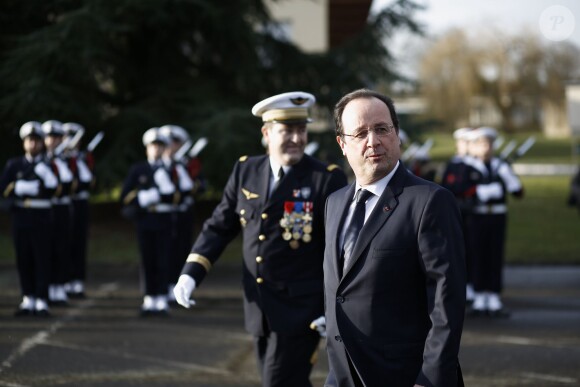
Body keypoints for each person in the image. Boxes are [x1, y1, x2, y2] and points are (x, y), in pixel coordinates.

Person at [173, 91, 348, 387]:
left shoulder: (325, 178)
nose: (296, 138)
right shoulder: (246, 170)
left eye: (301, 130)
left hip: (301, 311)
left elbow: (339, 249)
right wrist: (192, 272)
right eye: (287, 131)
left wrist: (330, 307)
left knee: (277, 382)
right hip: (258, 308)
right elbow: (219, 226)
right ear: (266, 133)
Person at [324, 89, 465, 387]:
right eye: (360, 133)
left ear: (397, 134)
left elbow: (446, 300)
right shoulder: (334, 203)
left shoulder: (429, 201)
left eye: (382, 129)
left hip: (405, 376)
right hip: (343, 375)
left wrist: (430, 380)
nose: (373, 141)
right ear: (342, 144)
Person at [0, 121, 58, 317]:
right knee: (23, 257)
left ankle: (42, 299)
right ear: (24, 143)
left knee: (41, 257)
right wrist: (17, 189)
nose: (33, 145)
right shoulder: (14, 165)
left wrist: (48, 177)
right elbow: (3, 191)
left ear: (42, 144)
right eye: (29, 141)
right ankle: (28, 297)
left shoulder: (49, 164)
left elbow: (59, 189)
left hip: (41, 216)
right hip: (21, 217)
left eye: (36, 141)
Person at [464, 127, 523, 317]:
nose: (486, 147)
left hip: (497, 216)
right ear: (474, 146)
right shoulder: (468, 167)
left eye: (489, 143)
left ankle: (494, 296)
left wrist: (511, 180)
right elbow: (459, 190)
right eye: (482, 143)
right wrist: (478, 192)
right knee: (478, 253)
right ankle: (480, 295)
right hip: (477, 216)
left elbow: (519, 193)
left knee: (495, 254)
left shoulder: (501, 167)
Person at [120, 127, 176, 316]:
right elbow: (125, 195)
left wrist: (164, 191)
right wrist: (142, 198)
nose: (156, 150)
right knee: (147, 259)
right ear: (147, 148)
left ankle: (161, 298)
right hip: (145, 219)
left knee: (163, 258)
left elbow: (180, 195)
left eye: (160, 146)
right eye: (153, 146)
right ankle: (149, 298)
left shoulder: (172, 168)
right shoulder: (138, 169)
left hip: (163, 218)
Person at [158, 124, 199, 304]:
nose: (171, 146)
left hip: (183, 213)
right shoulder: (158, 165)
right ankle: (163, 286)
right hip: (164, 215)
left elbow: (198, 185)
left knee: (182, 249)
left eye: (175, 142)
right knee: (164, 250)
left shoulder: (187, 164)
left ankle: (179, 285)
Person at [440, 127, 476, 304]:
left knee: (474, 249)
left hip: (474, 212)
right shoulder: (453, 164)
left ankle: (474, 284)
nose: (465, 146)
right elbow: (446, 185)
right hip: (457, 211)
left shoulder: (474, 164)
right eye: (463, 142)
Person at [42, 119, 75, 306]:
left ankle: (59, 286)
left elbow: (70, 183)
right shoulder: (40, 160)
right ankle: (44, 287)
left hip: (61, 207)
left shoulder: (66, 159)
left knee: (62, 247)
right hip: (45, 209)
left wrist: (59, 162)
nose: (52, 141)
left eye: (56, 137)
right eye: (49, 137)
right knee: (44, 248)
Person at [62, 122, 94, 298]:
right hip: (65, 203)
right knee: (64, 242)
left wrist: (79, 161)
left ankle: (78, 281)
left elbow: (88, 180)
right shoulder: (59, 158)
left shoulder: (84, 158)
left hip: (80, 203)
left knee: (79, 241)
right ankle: (64, 280)